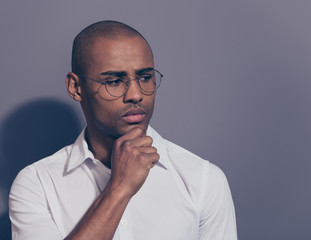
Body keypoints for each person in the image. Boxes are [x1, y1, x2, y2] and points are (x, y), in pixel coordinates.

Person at [9, 20, 237, 240]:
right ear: (76, 87)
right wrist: (119, 189)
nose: (136, 95)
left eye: (145, 77)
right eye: (115, 81)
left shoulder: (203, 180)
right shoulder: (37, 184)